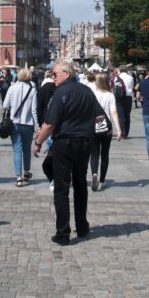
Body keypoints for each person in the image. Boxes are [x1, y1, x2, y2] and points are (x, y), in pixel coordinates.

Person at [33, 62, 106, 246]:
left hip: (64, 143)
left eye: (55, 73)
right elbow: (100, 116)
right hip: (84, 142)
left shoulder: (60, 93)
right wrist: (83, 121)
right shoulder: (87, 91)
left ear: (66, 74)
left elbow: (50, 124)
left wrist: (38, 142)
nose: (52, 76)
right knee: (81, 184)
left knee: (62, 188)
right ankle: (82, 227)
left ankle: (63, 233)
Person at [3, 68, 38, 186]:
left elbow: (5, 106)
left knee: (17, 149)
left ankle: (18, 177)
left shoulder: (12, 88)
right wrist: (37, 126)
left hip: (14, 122)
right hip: (28, 124)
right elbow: (34, 110)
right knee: (27, 149)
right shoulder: (32, 90)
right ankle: (26, 172)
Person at [90, 73, 122, 191]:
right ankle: (102, 180)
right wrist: (118, 129)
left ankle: (94, 173)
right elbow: (113, 112)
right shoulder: (110, 95)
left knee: (94, 154)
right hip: (106, 129)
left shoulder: (92, 95)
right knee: (105, 155)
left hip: (94, 128)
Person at [114, 67, 134, 138]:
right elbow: (131, 87)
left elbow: (116, 88)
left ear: (119, 70)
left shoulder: (117, 78)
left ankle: (122, 132)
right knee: (127, 115)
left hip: (120, 97)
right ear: (126, 70)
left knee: (120, 116)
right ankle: (126, 133)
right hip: (128, 97)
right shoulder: (131, 78)